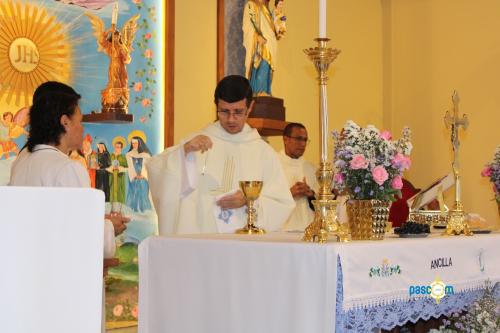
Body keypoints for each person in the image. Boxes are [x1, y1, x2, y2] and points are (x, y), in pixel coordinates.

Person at [8, 81, 127, 333]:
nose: (81, 127)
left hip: (29, 277)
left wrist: (98, 218)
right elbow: (80, 236)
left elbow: (46, 220)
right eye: (79, 120)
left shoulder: (22, 160)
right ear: (65, 122)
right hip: (63, 284)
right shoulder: (68, 168)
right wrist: (110, 226)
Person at [147, 75, 295, 235]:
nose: (231, 119)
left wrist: (248, 202)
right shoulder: (195, 143)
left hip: (245, 247)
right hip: (201, 243)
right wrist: (184, 152)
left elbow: (281, 203)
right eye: (224, 111)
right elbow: (157, 170)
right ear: (216, 106)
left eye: (238, 112)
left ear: (250, 107)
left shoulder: (263, 152)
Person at [278, 123, 318, 230]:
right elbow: (266, 201)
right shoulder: (274, 164)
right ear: (285, 139)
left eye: (305, 140)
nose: (303, 144)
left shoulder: (310, 168)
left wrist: (311, 195)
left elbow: (319, 207)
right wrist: (289, 194)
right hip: (282, 229)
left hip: (308, 228)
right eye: (299, 139)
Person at [242, 0, 284, 96]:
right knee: (262, 64)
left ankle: (265, 90)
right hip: (260, 44)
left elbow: (277, 31)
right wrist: (257, 36)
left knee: (268, 67)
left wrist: (280, 20)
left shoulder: (269, 10)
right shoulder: (251, 5)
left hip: (271, 44)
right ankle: (259, 91)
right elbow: (248, 24)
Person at [126, 136, 152, 213]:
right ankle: (133, 211)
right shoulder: (129, 154)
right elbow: (130, 166)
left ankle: (145, 211)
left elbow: (148, 167)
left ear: (140, 143)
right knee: (133, 193)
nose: (134, 145)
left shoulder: (146, 155)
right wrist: (135, 175)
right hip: (133, 177)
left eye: (136, 143)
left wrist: (143, 175)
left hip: (143, 178)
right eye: (132, 143)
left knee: (143, 193)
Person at [107, 137, 128, 207]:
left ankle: (120, 211)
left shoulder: (123, 157)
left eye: (119, 147)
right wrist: (111, 168)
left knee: (120, 193)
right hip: (112, 178)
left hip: (120, 178)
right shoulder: (110, 156)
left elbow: (127, 168)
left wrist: (119, 168)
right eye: (116, 147)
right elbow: (106, 167)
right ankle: (112, 211)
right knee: (111, 193)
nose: (117, 148)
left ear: (121, 148)